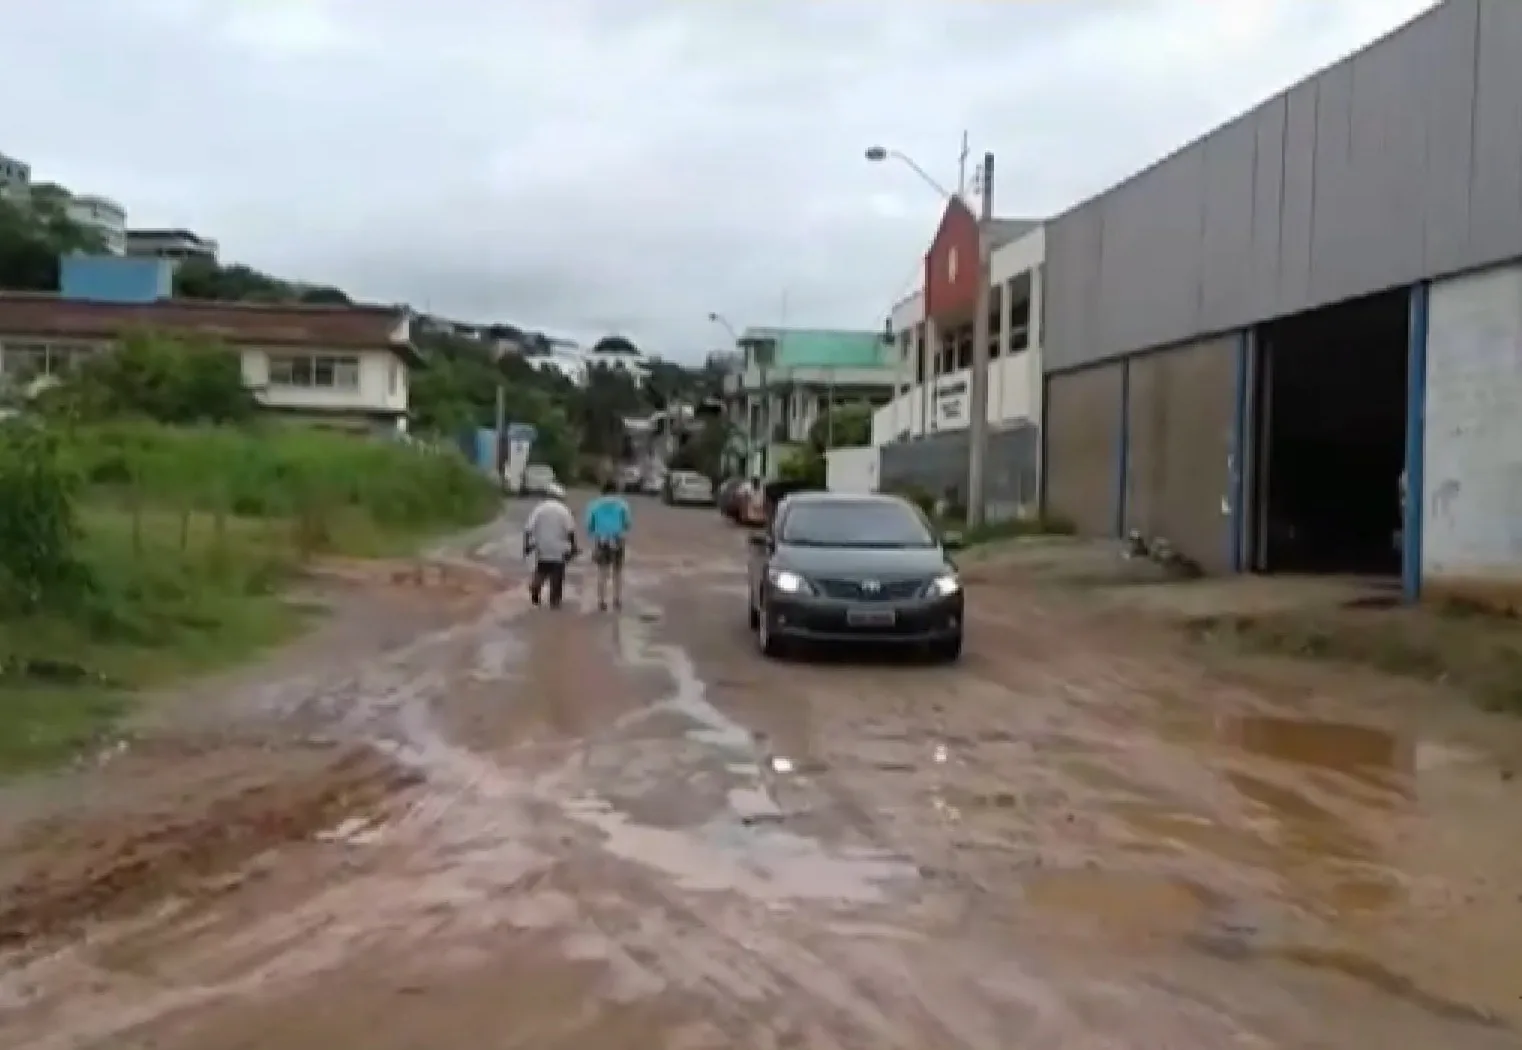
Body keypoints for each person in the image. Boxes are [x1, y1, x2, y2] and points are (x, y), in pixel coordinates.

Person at [522, 483, 577, 608]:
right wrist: (573, 546)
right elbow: (570, 530)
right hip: (559, 547)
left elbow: (528, 528)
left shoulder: (539, 508)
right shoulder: (563, 510)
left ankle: (535, 588)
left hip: (542, 546)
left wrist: (526, 545)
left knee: (542, 570)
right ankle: (554, 600)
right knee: (557, 573)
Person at [584, 479, 633, 612]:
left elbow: (589, 524)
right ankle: (617, 600)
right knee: (617, 572)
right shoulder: (622, 504)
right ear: (615, 490)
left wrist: (595, 532)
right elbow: (628, 523)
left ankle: (601, 601)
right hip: (618, 540)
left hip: (601, 540)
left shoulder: (594, 504)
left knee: (602, 572)